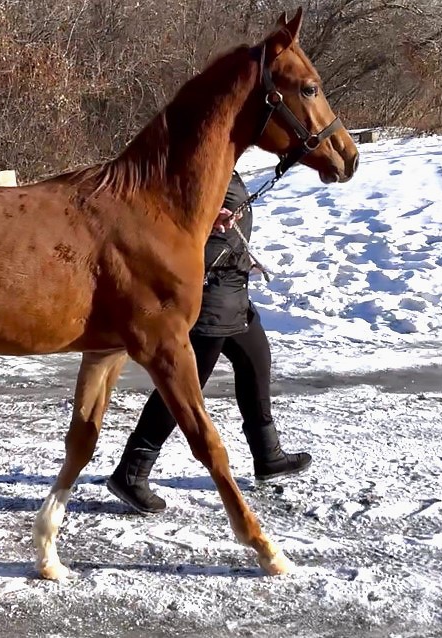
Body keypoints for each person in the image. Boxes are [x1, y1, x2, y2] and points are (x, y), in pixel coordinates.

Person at [106, 169, 312, 514]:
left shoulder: (222, 165)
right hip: (209, 294)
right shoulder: (190, 168)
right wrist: (204, 219)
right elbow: (162, 215)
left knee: (256, 361)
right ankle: (131, 471)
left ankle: (268, 455)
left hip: (233, 291)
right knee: (181, 390)